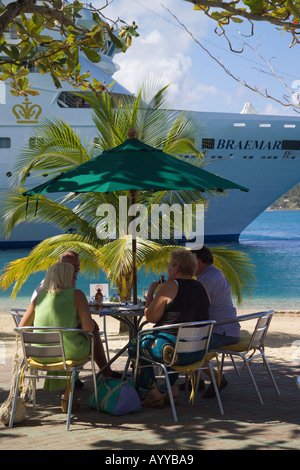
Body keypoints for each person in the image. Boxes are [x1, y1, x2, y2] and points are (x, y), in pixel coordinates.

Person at [20, 262, 119, 412]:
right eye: (73, 276)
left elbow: (21, 327)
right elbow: (88, 328)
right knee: (85, 340)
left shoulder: (39, 297)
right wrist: (80, 326)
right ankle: (69, 394)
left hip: (39, 355)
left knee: (70, 343)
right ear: (65, 278)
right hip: (68, 354)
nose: (75, 280)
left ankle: (70, 395)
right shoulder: (77, 295)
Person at [128, 249, 210, 407]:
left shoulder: (170, 286)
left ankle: (153, 394)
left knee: (135, 346)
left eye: (169, 267)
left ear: (176, 268)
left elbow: (150, 317)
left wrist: (151, 293)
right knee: (173, 338)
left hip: (173, 352)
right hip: (198, 353)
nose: (167, 270)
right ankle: (172, 391)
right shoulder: (201, 287)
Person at [192, 245, 240, 398]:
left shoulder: (207, 279)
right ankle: (196, 381)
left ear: (198, 261)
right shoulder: (214, 273)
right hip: (227, 329)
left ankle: (218, 378)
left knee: (185, 346)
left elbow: (196, 307)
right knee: (189, 337)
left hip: (222, 332)